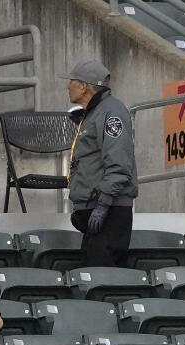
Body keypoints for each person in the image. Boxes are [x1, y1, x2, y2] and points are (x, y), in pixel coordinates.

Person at [65, 58, 136, 267]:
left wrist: (103, 204)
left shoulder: (110, 112)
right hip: (96, 208)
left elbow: (119, 162)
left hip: (109, 210)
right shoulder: (95, 112)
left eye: (70, 81)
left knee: (104, 277)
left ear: (83, 86)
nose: (66, 86)